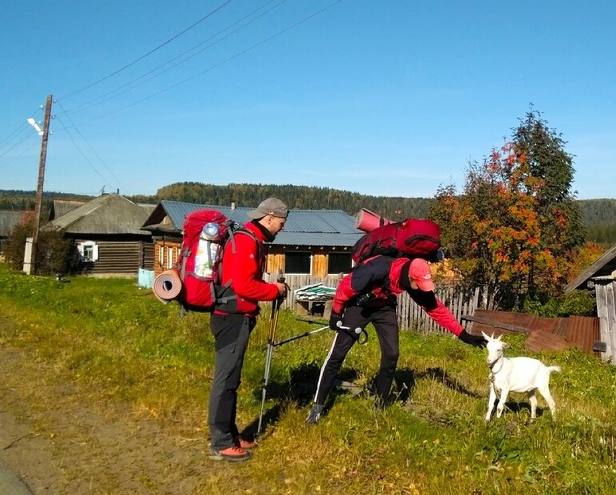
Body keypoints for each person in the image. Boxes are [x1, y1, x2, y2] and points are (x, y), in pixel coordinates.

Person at [306, 254, 487, 424]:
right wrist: (336, 314)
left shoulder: (411, 280)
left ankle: (381, 404)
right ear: (411, 278)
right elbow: (346, 286)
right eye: (420, 285)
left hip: (384, 308)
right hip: (358, 307)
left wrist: (463, 335)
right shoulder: (376, 270)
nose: (421, 289)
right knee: (338, 353)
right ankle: (318, 404)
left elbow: (436, 309)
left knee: (392, 354)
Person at [207, 197, 290, 462]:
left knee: (231, 379)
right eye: (281, 222)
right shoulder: (246, 242)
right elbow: (244, 286)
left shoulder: (248, 239)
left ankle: (230, 435)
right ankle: (220, 442)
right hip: (232, 318)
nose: (281, 228)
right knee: (226, 379)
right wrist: (274, 290)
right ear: (268, 218)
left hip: (234, 316)